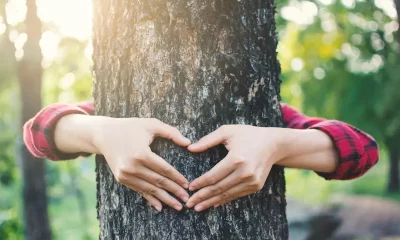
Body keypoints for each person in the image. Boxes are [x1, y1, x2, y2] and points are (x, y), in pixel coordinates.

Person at [23, 101, 379, 212]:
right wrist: (99, 132)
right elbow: (39, 132)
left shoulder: (268, 111)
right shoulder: (117, 107)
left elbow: (362, 150)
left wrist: (277, 144)